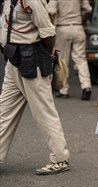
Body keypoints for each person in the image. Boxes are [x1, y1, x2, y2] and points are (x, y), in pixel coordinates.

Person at [0, 0, 70, 175]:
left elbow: (47, 32)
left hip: (32, 61)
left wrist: (50, 51)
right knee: (4, 112)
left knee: (43, 113)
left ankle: (60, 159)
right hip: (13, 61)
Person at [47, 0, 93, 101]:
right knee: (81, 60)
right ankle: (86, 86)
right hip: (78, 28)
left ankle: (63, 90)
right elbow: (88, 9)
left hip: (63, 28)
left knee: (63, 60)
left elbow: (51, 12)